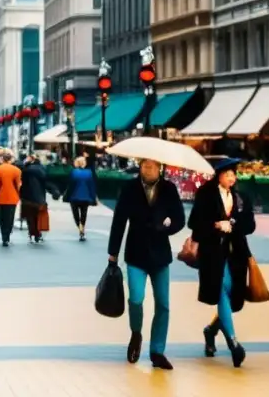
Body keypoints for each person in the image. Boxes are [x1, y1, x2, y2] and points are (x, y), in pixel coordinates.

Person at [107, 158, 184, 369]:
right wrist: (112, 253)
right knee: (136, 299)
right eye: (144, 165)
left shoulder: (168, 188)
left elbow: (180, 219)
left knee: (163, 304)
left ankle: (157, 351)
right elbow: (119, 221)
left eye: (152, 166)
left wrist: (167, 226)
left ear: (160, 167)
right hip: (135, 253)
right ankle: (136, 333)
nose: (147, 169)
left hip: (160, 255)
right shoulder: (130, 188)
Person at [188, 158, 256, 368]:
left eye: (233, 174)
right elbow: (194, 223)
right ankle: (234, 344)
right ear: (218, 176)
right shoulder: (206, 195)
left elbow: (250, 225)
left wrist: (232, 224)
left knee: (231, 295)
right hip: (212, 254)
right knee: (221, 291)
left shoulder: (241, 197)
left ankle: (211, 330)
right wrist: (215, 225)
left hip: (236, 254)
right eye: (227, 174)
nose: (231, 178)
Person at [19, 155, 58, 243]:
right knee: (38, 216)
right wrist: (54, 191)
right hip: (39, 197)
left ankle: (31, 233)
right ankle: (38, 233)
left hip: (27, 197)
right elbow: (47, 183)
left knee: (30, 217)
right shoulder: (42, 169)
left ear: (31, 160)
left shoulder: (25, 170)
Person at [0, 152, 22, 247]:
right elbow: (19, 185)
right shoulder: (17, 170)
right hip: (13, 197)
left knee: (2, 218)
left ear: (3, 159)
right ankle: (8, 236)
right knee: (10, 217)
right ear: (10, 160)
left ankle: (4, 237)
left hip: (1, 197)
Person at [64, 156, 98, 241]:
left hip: (74, 197)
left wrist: (66, 196)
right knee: (84, 214)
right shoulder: (89, 173)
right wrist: (93, 198)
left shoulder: (73, 172)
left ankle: (79, 227)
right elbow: (91, 187)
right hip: (85, 197)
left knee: (76, 215)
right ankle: (82, 229)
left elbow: (70, 186)